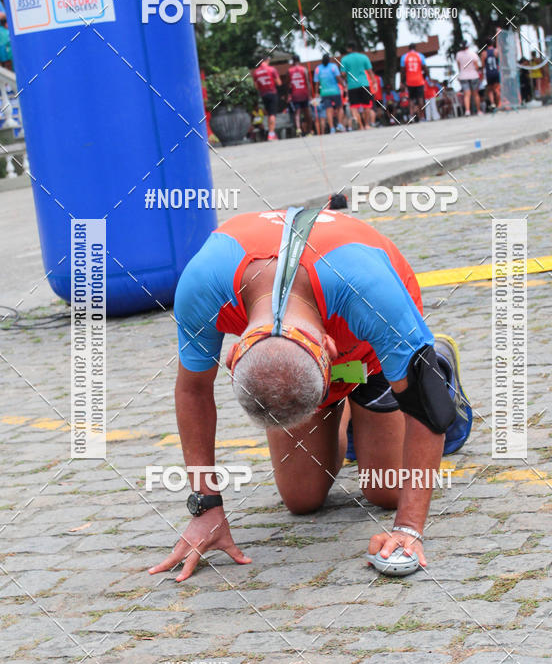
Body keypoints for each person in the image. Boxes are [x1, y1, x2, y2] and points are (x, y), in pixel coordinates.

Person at [149, 207, 472, 582]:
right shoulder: (202, 287)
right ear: (234, 356)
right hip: (300, 367)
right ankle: (348, 420)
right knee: (302, 499)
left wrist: (409, 529)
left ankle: (433, 361)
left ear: (331, 351)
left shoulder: (372, 296)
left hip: (374, 356)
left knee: (386, 490)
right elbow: (193, 390)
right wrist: (205, 507)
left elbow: (427, 408)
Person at [340, 42, 376, 130]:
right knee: (367, 106)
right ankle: (367, 124)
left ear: (349, 49)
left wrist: (346, 77)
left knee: (354, 107)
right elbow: (370, 72)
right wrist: (374, 83)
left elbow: (343, 73)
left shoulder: (344, 59)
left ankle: (360, 126)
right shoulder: (364, 57)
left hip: (352, 85)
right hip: (364, 84)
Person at [252, 55, 281, 141]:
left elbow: (256, 87)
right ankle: (271, 134)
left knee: (269, 114)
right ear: (266, 60)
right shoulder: (272, 69)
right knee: (272, 114)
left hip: (263, 95)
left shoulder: (256, 72)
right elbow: (279, 82)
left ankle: (271, 132)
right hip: (272, 93)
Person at [314, 53, 343, 134]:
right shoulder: (333, 66)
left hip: (324, 92)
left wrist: (316, 93)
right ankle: (340, 124)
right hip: (335, 91)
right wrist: (343, 85)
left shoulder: (318, 69)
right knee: (339, 108)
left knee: (328, 110)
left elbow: (317, 83)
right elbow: (338, 77)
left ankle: (332, 128)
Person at [400, 43, 427, 122]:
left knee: (411, 99)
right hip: (419, 80)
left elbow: (402, 71)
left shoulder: (404, 57)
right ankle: (422, 117)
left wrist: (402, 81)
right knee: (420, 99)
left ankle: (411, 116)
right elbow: (425, 68)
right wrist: (425, 77)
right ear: (415, 48)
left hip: (410, 81)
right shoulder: (420, 56)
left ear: (408, 49)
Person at [455, 40, 482, 116]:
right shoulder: (473, 54)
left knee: (467, 94)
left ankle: (467, 110)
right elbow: (476, 66)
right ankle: (479, 111)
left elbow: (459, 66)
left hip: (463, 76)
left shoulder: (458, 54)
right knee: (475, 94)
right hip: (474, 75)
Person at [287, 54, 312, 136]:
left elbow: (288, 84)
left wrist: (288, 94)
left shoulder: (289, 71)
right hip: (304, 93)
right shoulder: (304, 69)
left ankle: (298, 129)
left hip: (295, 94)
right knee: (307, 112)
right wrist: (310, 94)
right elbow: (307, 82)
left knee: (297, 113)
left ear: (293, 61)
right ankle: (309, 130)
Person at [481, 38, 501, 111]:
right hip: (496, 72)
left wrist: (482, 75)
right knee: (497, 89)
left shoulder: (484, 53)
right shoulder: (496, 51)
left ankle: (492, 103)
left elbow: (483, 65)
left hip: (489, 73)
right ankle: (499, 104)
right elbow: (500, 62)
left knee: (490, 90)